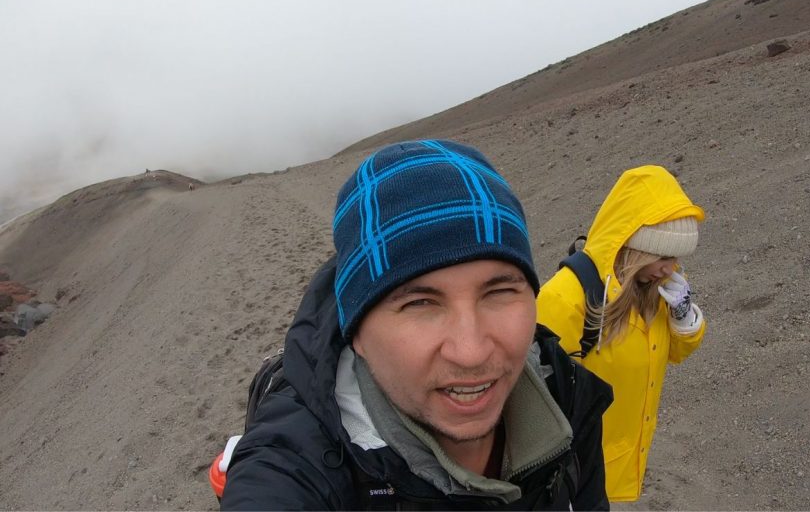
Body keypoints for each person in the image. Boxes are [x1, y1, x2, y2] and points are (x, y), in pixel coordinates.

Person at [221, 139, 612, 510]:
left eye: (498, 293)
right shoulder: (292, 466)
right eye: (420, 303)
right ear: (356, 332)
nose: (471, 351)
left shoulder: (566, 396)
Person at [537, 165, 707, 503]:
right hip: (579, 477)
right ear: (635, 246)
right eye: (664, 256)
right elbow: (540, 406)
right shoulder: (565, 298)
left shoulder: (653, 290)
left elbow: (673, 353)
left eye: (677, 259)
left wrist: (683, 314)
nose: (671, 269)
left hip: (625, 463)